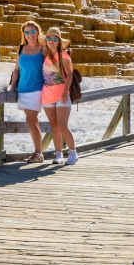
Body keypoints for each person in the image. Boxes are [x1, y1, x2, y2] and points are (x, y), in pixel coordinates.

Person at [9, 21, 45, 163]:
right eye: (26, 32)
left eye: (32, 31)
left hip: (37, 89)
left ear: (37, 31)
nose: (30, 35)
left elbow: (56, 58)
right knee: (34, 122)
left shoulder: (43, 49)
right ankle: (37, 152)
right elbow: (16, 70)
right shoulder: (21, 48)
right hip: (22, 90)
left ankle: (39, 153)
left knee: (30, 121)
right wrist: (12, 88)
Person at [41, 27, 77, 165]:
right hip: (47, 95)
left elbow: (70, 74)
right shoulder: (44, 54)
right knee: (54, 126)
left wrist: (64, 92)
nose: (51, 41)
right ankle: (58, 155)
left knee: (62, 126)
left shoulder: (64, 56)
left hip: (61, 94)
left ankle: (73, 152)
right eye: (48, 38)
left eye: (54, 38)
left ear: (59, 41)